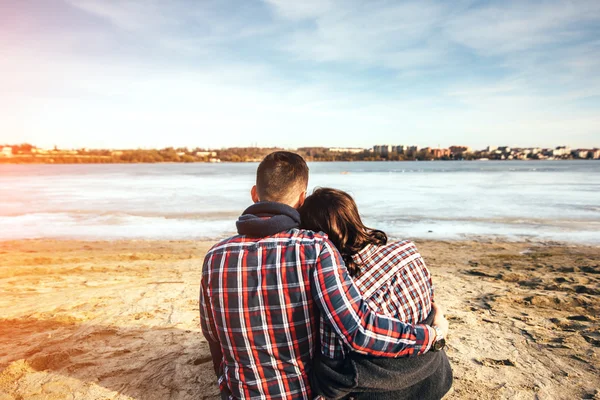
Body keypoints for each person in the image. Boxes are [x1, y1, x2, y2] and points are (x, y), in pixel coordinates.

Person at [200, 151, 449, 400]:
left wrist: (224, 383)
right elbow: (358, 330)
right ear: (301, 199)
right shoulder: (315, 248)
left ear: (254, 194)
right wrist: (431, 337)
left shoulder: (214, 256)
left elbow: (213, 337)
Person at [299, 187, 453, 400]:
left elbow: (333, 365)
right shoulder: (408, 251)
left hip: (383, 391)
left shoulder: (342, 290)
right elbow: (430, 304)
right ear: (354, 216)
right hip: (434, 377)